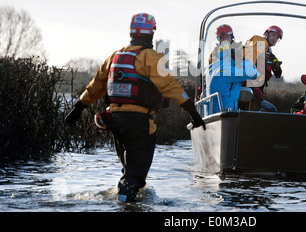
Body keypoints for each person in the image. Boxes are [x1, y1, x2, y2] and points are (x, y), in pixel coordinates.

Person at [65, 13, 205, 203]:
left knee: (129, 170)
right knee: (134, 177)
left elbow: (95, 86)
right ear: (151, 32)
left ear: (132, 32)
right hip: (140, 124)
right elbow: (171, 87)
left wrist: (77, 109)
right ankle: (126, 200)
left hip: (116, 122)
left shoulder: (114, 57)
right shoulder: (153, 58)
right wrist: (193, 113)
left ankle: (128, 201)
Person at [206, 24, 257, 114]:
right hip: (226, 107)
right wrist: (246, 62)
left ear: (231, 37)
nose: (225, 40)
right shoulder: (219, 59)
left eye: (227, 37)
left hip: (213, 110)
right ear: (218, 39)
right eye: (222, 38)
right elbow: (253, 73)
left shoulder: (241, 50)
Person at [245, 25, 283, 112]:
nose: (275, 38)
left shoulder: (267, 49)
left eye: (277, 37)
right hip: (251, 86)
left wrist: (276, 63)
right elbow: (251, 61)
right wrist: (254, 86)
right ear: (266, 34)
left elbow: (270, 57)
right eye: (273, 35)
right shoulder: (261, 41)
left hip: (256, 88)